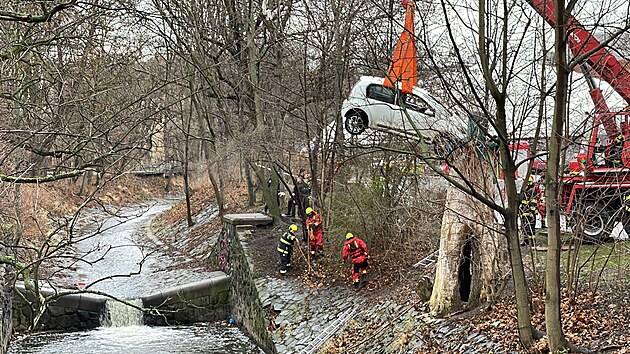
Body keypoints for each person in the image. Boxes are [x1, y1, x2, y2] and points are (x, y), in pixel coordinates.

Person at [519, 176, 539, 246]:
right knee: (524, 228)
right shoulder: (525, 191)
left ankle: (532, 242)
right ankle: (525, 241)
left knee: (531, 228)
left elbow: (533, 203)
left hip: (530, 213)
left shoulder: (532, 191)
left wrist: (532, 213)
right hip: (524, 213)